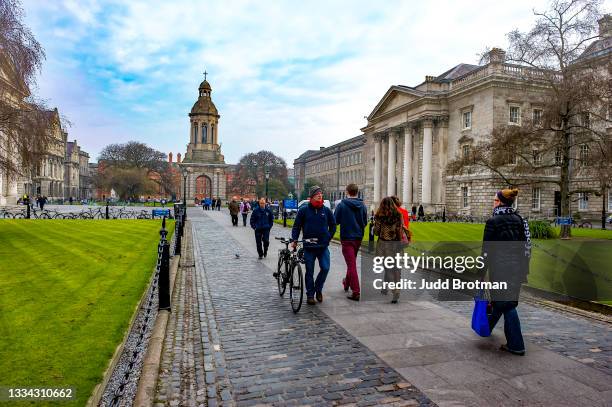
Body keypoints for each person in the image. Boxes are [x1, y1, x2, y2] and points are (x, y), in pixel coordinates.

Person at [483, 188, 530, 356]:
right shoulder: (520, 219)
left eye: (495, 200)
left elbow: (486, 251)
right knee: (502, 301)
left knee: (507, 305)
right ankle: (485, 329)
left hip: (500, 269)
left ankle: (516, 345)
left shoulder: (493, 221)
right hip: (517, 268)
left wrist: (481, 273)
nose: (493, 202)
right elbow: (526, 247)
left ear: (501, 202)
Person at [291, 186, 336, 305]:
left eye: (321, 193)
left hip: (322, 246)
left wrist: (328, 237)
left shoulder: (326, 210)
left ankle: (318, 289)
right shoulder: (304, 210)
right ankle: (310, 295)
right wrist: (294, 239)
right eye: (317, 194)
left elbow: (333, 225)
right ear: (312, 196)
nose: (320, 195)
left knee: (325, 268)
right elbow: (296, 226)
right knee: (309, 271)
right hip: (309, 247)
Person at [334, 184, 368, 301]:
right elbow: (365, 222)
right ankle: (346, 282)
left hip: (347, 238)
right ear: (357, 192)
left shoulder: (342, 205)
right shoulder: (362, 205)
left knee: (351, 265)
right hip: (358, 237)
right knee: (351, 262)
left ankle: (356, 291)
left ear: (347, 191)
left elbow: (336, 221)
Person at [373, 197, 405, 304]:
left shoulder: (379, 216)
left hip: (383, 245)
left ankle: (394, 289)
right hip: (396, 244)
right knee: (396, 268)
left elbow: (377, 232)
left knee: (388, 269)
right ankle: (397, 289)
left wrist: (375, 228)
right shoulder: (398, 215)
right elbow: (400, 230)